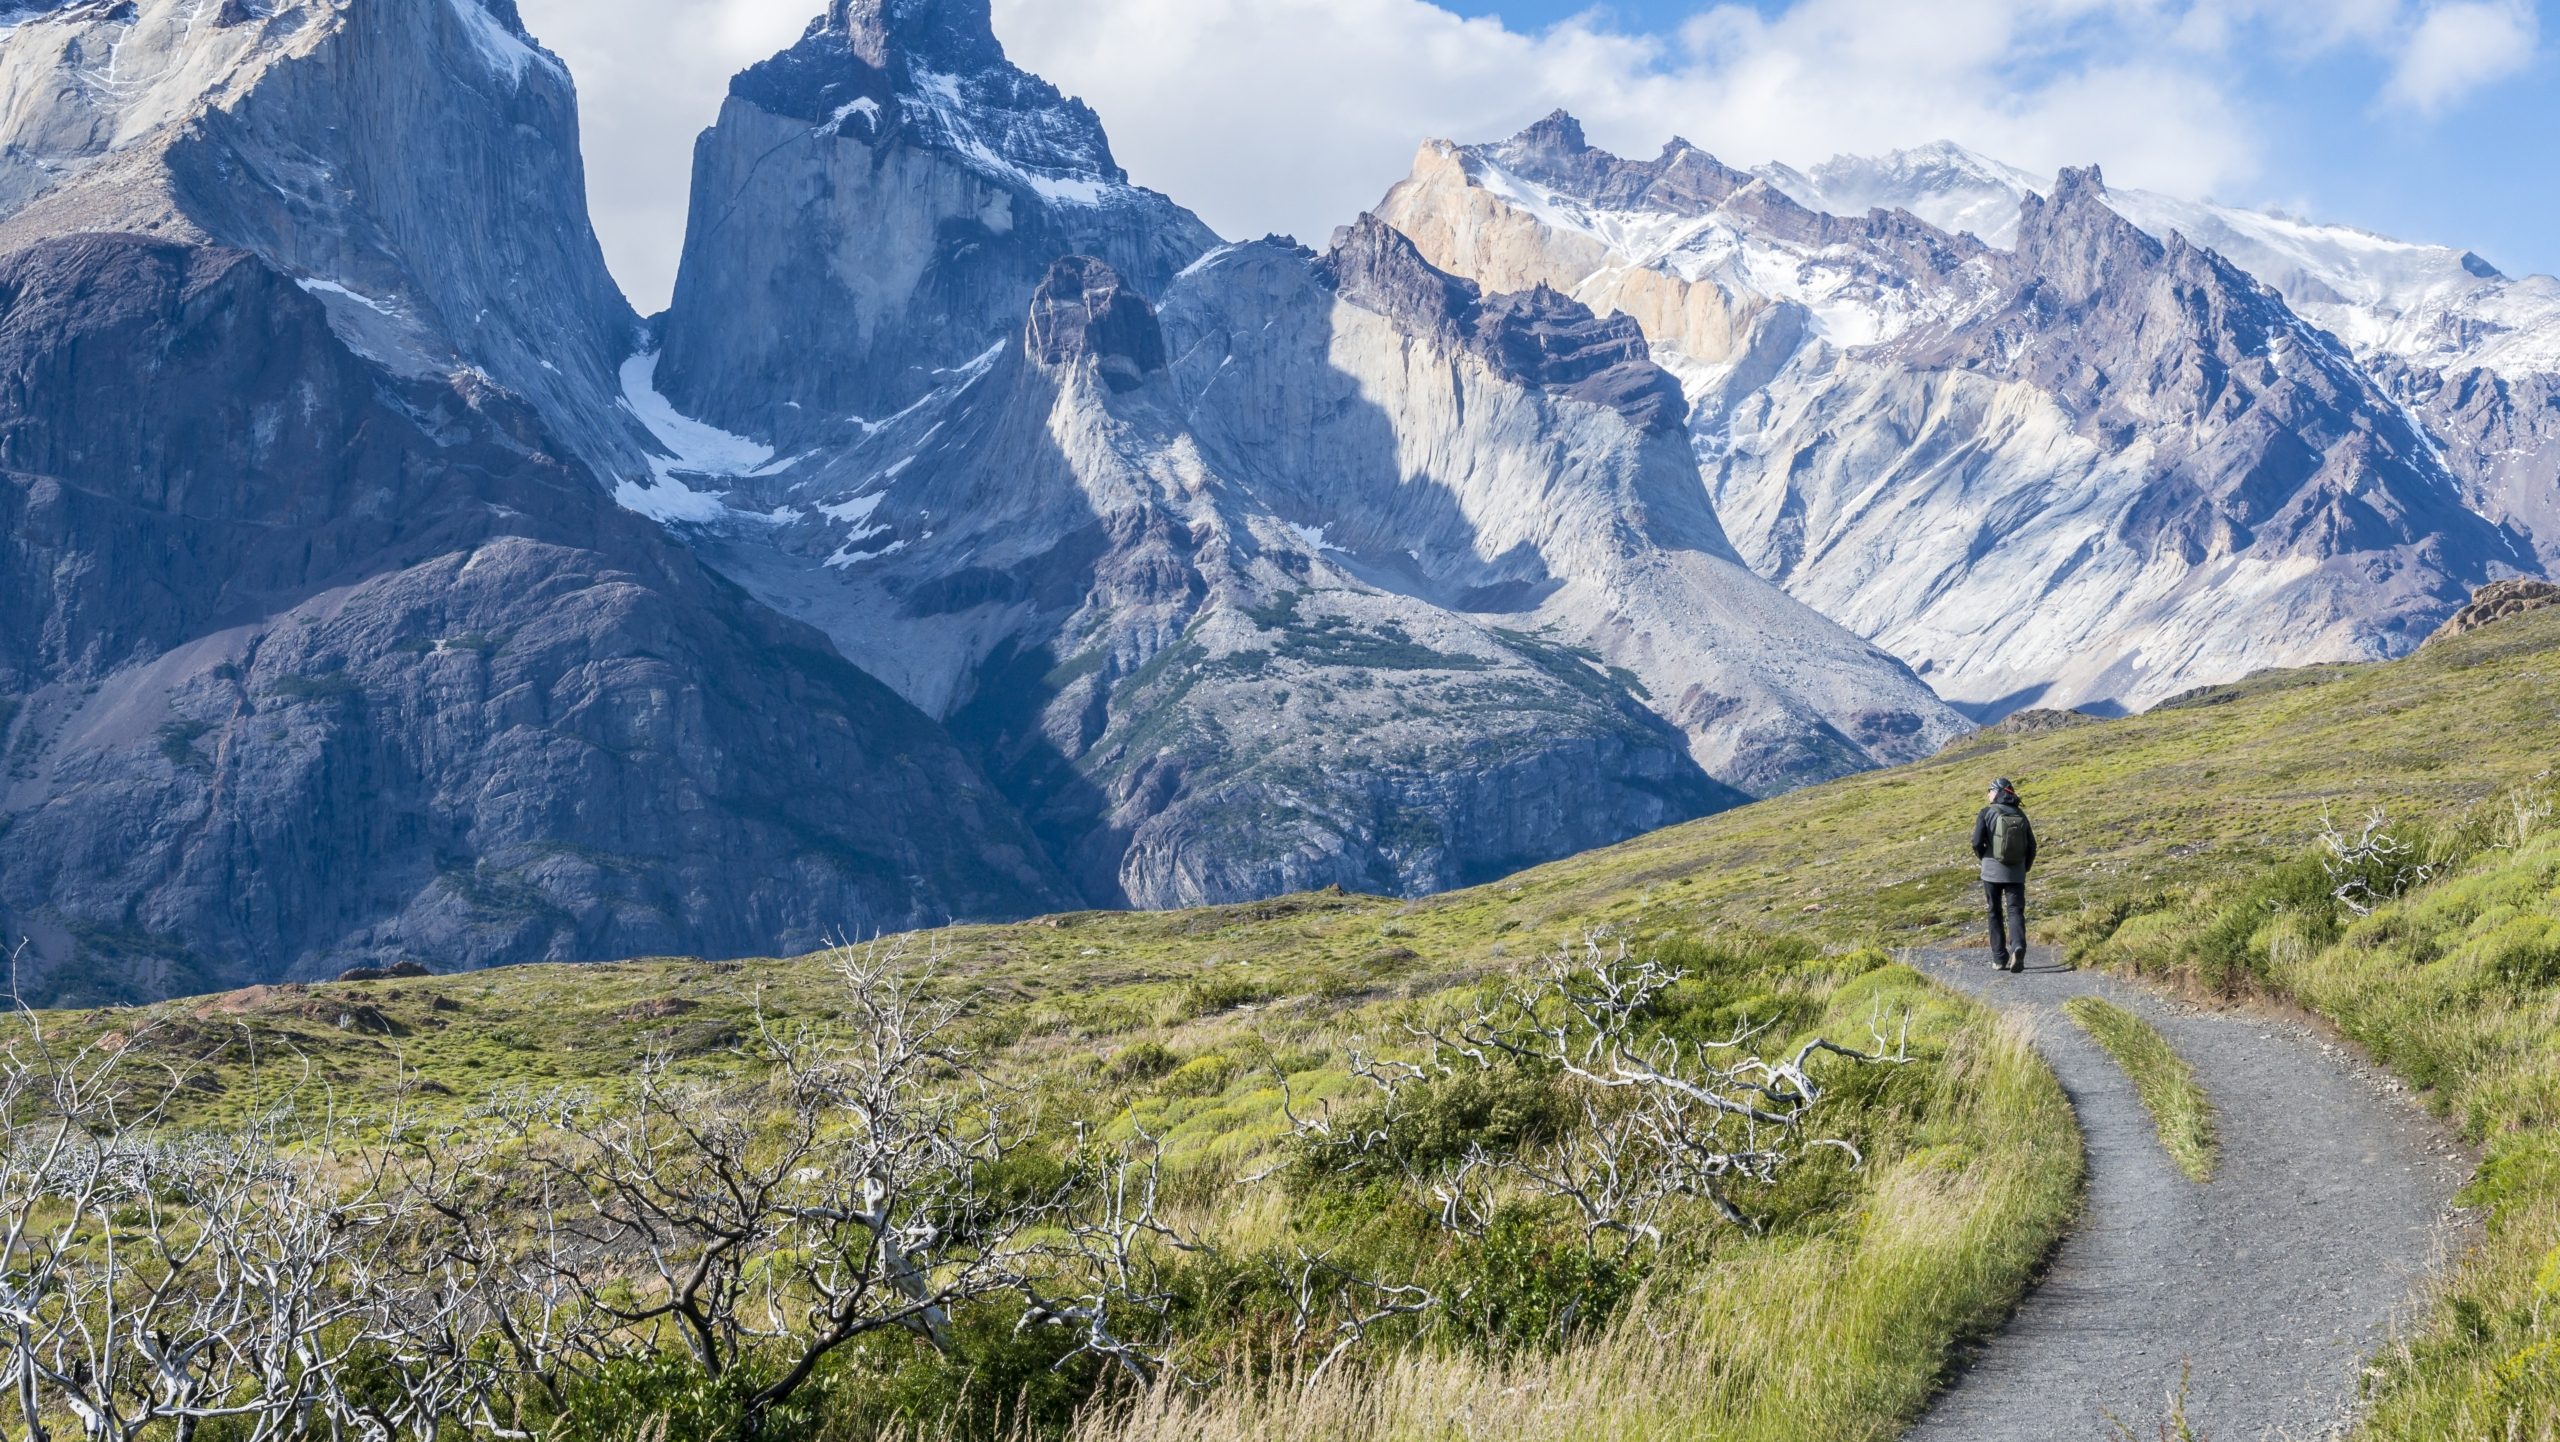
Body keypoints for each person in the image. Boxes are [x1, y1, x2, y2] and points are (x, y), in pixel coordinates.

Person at [1970, 778, 2038, 972]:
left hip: (1991, 872)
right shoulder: (2020, 814)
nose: (1988, 794)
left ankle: (1999, 958)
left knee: (1994, 911)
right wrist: (2024, 868)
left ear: (1997, 792)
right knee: (2015, 911)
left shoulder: (1986, 813)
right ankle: (2018, 946)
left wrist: (1984, 858)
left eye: (1989, 790)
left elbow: (1976, 841)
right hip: (2016, 874)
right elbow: (2032, 846)